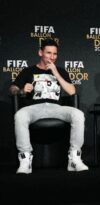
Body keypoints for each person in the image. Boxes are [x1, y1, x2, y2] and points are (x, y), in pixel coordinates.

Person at [9, 38, 89, 174]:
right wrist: (22, 90)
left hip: (56, 108)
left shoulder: (60, 71)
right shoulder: (28, 71)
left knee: (78, 114)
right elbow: (12, 89)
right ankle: (25, 159)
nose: (52, 57)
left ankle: (74, 158)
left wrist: (56, 73)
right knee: (20, 115)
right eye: (48, 53)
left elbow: (71, 91)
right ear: (40, 52)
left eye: (55, 54)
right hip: (34, 108)